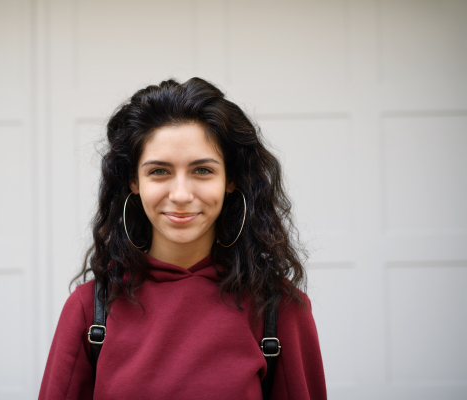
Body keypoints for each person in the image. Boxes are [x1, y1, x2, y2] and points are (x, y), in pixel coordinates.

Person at [39, 78, 327, 399]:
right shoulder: (88, 311)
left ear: (230, 180)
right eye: (159, 171)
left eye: (202, 170)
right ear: (134, 181)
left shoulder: (280, 309)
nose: (180, 194)